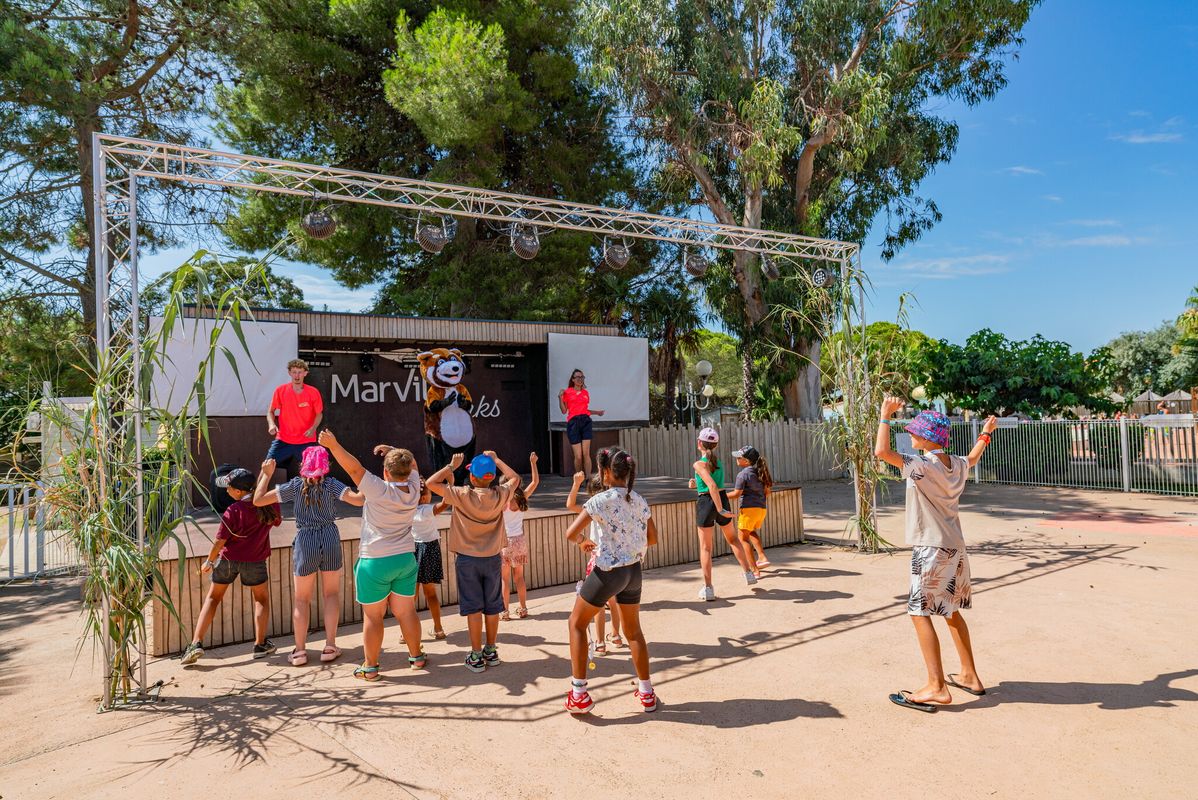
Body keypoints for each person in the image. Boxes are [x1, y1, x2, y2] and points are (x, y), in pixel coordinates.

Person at [874, 396, 997, 712]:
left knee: (919, 611)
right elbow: (974, 456)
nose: (912, 435)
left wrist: (885, 416)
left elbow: (881, 453)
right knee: (950, 609)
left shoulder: (921, 466)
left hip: (930, 547)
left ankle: (936, 686)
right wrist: (985, 433)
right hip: (955, 546)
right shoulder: (955, 463)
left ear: (928, 437)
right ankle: (969, 675)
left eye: (915, 432)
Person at [318, 431, 429, 681]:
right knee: (407, 612)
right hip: (405, 559)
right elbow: (412, 465)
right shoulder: (414, 486)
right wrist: (395, 450)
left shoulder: (379, 489)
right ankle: (417, 657)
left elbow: (354, 469)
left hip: (375, 562)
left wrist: (334, 445)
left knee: (373, 616)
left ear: (386, 472)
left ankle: (370, 667)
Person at [563, 447, 659, 714]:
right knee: (633, 632)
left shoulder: (599, 501)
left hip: (608, 571)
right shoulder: (639, 500)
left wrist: (584, 542)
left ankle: (579, 693)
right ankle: (647, 693)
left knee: (577, 623)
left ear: (605, 472)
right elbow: (653, 539)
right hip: (634, 572)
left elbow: (571, 533)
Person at [253, 446, 364, 666]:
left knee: (301, 599)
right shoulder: (332, 484)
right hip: (330, 537)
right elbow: (359, 500)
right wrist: (360, 475)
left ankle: (300, 651)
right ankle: (330, 646)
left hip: (306, 541)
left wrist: (266, 475)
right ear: (326, 466)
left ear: (303, 465)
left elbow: (258, 500)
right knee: (331, 594)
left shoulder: (294, 486)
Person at [426, 450, 520, 673]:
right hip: (492, 559)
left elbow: (431, 483)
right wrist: (497, 459)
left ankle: (476, 655)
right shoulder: (500, 495)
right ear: (491, 477)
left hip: (467, 560)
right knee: (493, 606)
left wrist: (451, 466)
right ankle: (491, 650)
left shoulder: (461, 494)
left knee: (474, 607)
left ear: (473, 476)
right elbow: (515, 478)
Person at [181, 468, 282, 666]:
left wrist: (209, 562)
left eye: (229, 487)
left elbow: (219, 542)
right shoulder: (270, 505)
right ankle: (260, 644)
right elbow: (275, 519)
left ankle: (195, 643)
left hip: (228, 560)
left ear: (239, 492)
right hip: (256, 561)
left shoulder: (233, 510)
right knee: (261, 600)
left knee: (213, 598)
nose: (226, 490)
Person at [688, 427, 757, 600]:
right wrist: (696, 484)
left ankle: (708, 588)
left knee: (706, 548)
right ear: (716, 445)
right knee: (733, 539)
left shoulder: (699, 464)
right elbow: (714, 484)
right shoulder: (718, 463)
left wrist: (719, 509)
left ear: (699, 443)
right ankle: (748, 573)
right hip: (722, 499)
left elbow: (711, 486)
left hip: (708, 503)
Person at [566, 467, 623, 651]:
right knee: (614, 601)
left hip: (598, 558)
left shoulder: (592, 507)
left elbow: (570, 505)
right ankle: (615, 636)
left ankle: (600, 642)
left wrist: (575, 484)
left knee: (598, 603)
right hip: (615, 557)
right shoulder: (616, 506)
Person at [265, 358, 323, 476]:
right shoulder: (280, 390)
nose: (297, 375)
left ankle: (312, 494)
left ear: (305, 373)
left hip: (306, 441)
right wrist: (271, 424)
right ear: (290, 373)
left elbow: (319, 414)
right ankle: (256, 494)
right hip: (283, 439)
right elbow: (270, 411)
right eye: (294, 372)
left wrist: (313, 429)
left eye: (300, 372)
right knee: (266, 467)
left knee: (313, 473)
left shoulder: (313, 392)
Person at [501, 452, 540, 621]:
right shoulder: (522, 498)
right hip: (519, 541)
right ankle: (523, 608)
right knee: (519, 577)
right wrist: (533, 463)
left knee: (504, 579)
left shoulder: (502, 502)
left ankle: (505, 611)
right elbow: (535, 482)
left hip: (504, 542)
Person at [409, 479, 449, 641]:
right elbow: (445, 504)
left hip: (412, 549)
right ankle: (438, 628)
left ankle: (406, 632)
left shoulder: (408, 510)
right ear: (425, 497)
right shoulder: (426, 509)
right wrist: (449, 486)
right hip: (430, 549)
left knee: (411, 594)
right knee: (430, 593)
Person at [725, 445, 774, 577]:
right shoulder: (760, 472)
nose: (737, 458)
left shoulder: (743, 474)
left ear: (746, 461)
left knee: (743, 539)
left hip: (748, 510)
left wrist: (719, 496)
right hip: (761, 509)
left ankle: (754, 570)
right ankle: (762, 557)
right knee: (751, 531)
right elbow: (767, 492)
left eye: (739, 457)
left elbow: (736, 494)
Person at [558, 369, 605, 477]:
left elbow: (585, 410)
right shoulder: (567, 392)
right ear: (573, 379)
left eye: (582, 377)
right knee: (578, 456)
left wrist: (597, 413)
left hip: (586, 422)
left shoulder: (585, 393)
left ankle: (588, 479)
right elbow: (564, 411)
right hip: (573, 423)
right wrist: (560, 398)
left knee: (586, 454)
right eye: (578, 377)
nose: (580, 379)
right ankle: (579, 478)